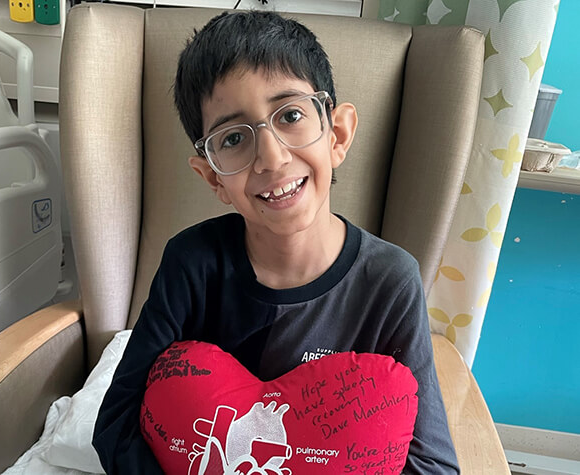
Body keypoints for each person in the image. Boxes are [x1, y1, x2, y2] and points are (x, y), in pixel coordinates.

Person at [93, 9, 459, 474]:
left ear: (338, 135)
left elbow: (432, 464)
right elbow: (116, 423)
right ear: (213, 178)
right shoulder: (192, 264)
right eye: (232, 139)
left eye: (290, 115)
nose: (271, 157)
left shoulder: (388, 280)